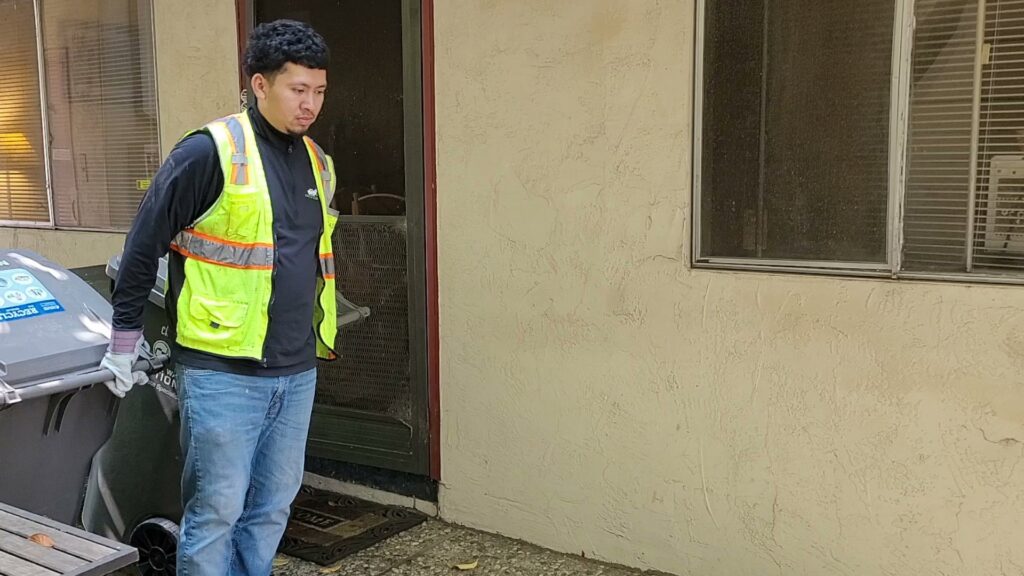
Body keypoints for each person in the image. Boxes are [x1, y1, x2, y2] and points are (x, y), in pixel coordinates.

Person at [101, 19, 338, 575]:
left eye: (320, 91)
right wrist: (123, 340)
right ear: (260, 84)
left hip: (296, 369)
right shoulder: (210, 153)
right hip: (222, 372)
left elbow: (308, 260)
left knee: (272, 506)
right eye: (297, 90)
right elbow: (141, 248)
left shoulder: (318, 164)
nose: (310, 105)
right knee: (216, 510)